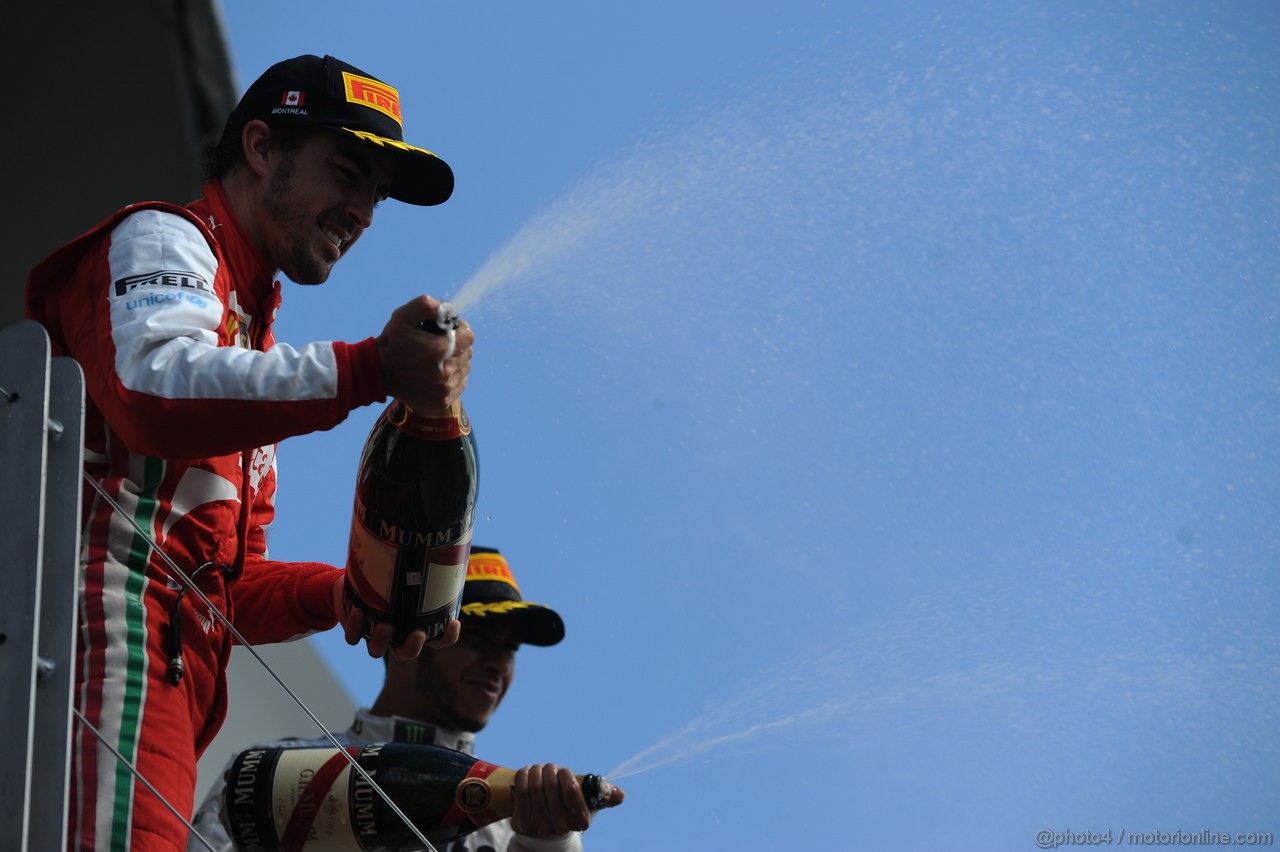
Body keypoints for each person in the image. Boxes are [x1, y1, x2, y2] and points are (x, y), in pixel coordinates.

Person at [24, 54, 475, 851]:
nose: (361, 211)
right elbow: (150, 389)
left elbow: (221, 594)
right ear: (261, 149)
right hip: (97, 647)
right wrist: (369, 368)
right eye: (345, 173)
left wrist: (348, 598)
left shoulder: (252, 353)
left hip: (167, 685)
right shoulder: (166, 237)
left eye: (375, 195)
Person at [189, 546, 622, 852]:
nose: (498, 663)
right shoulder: (278, 768)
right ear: (412, 637)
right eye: (478, 638)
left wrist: (550, 846)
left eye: (510, 648)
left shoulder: (517, 828)